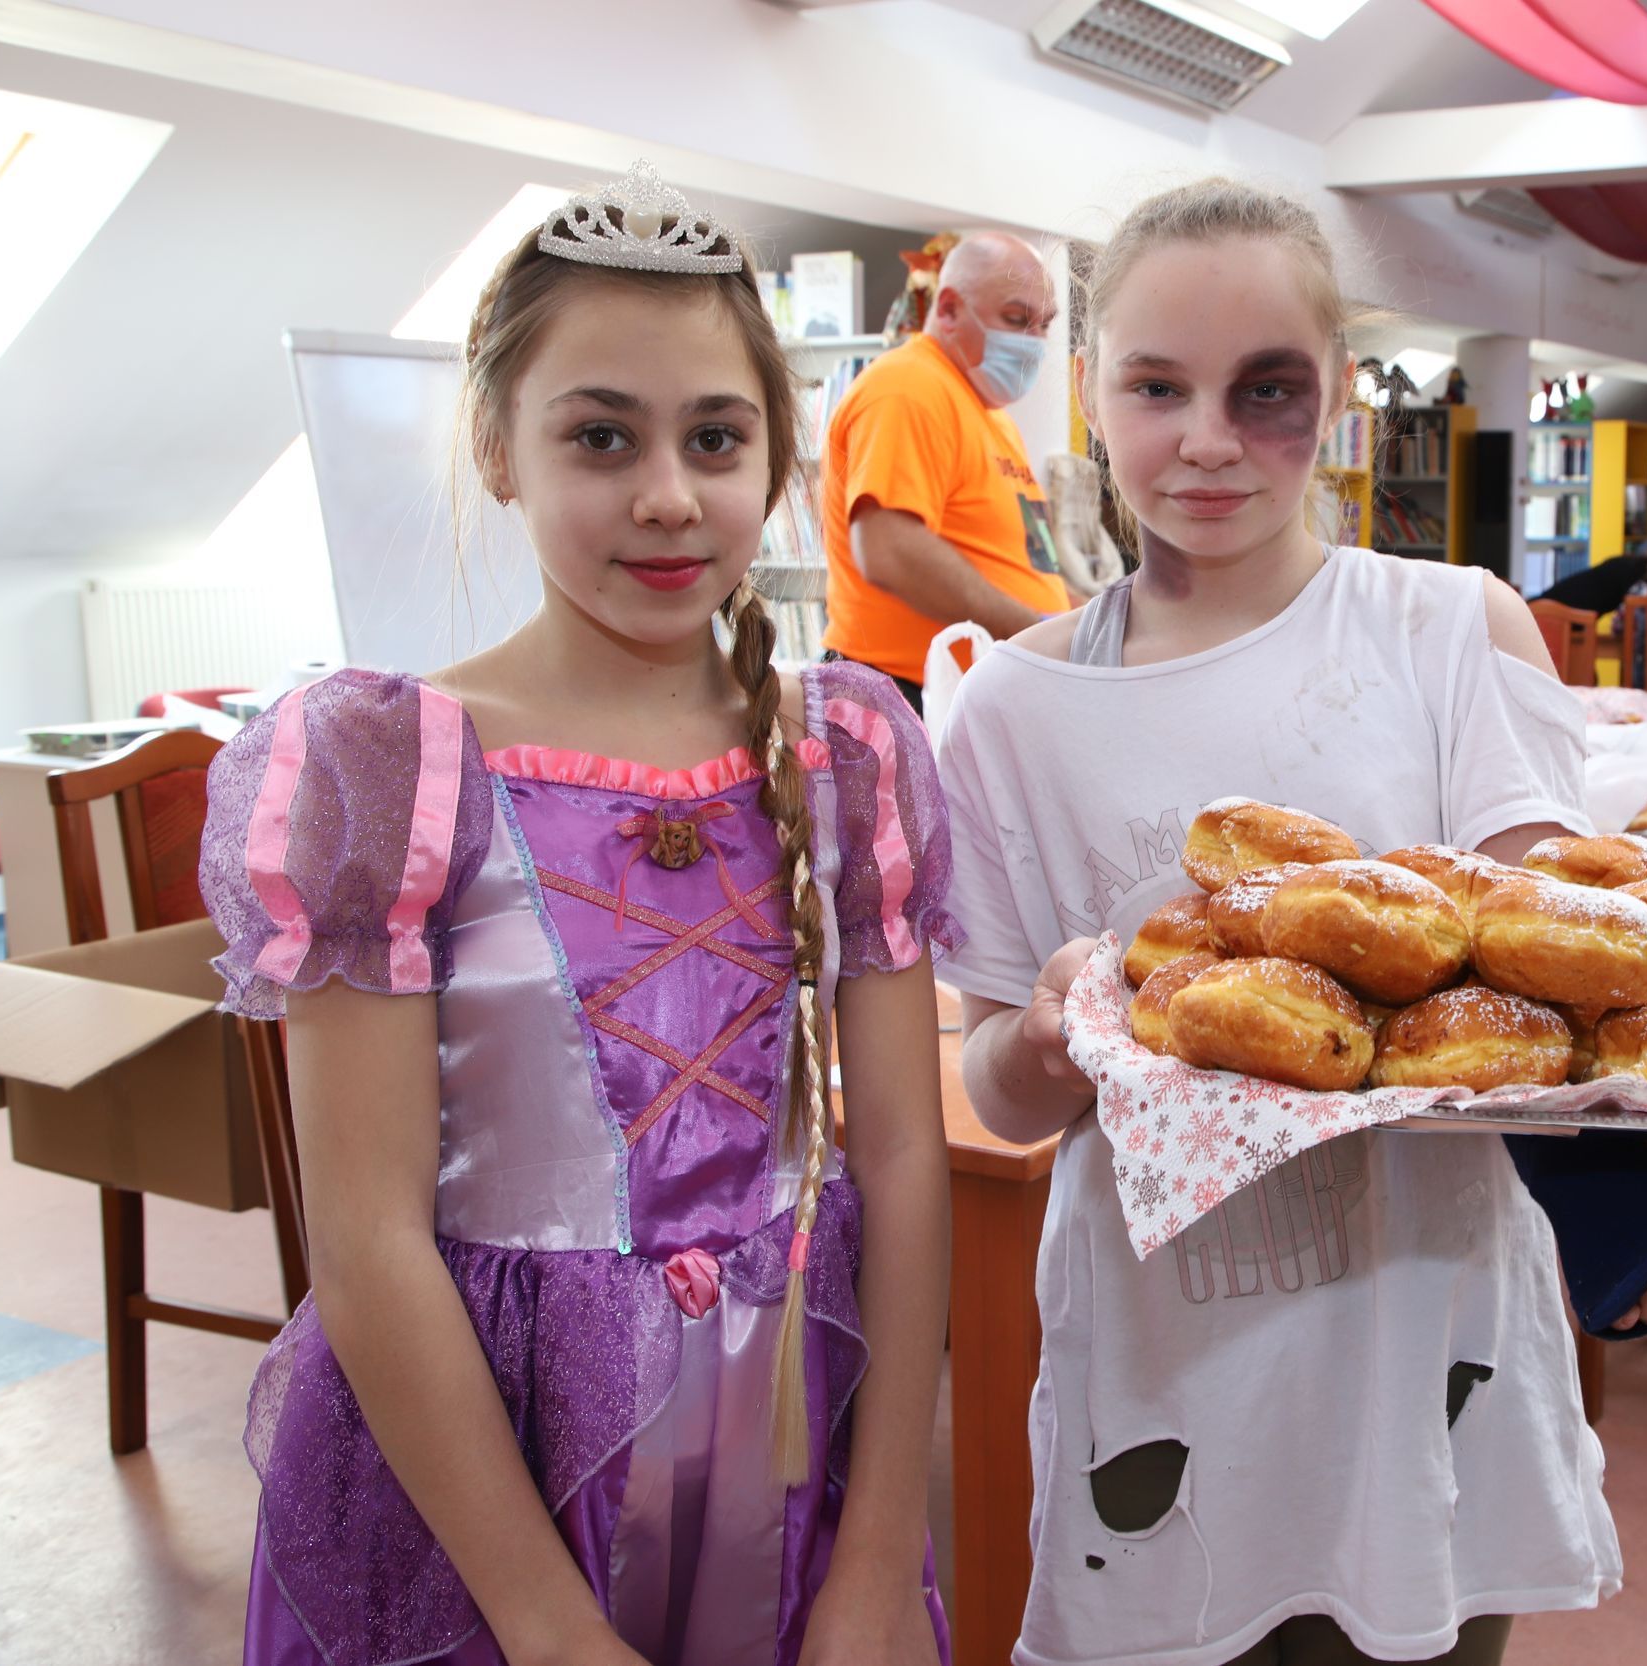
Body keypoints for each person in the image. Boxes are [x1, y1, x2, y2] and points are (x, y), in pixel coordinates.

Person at [934, 178, 1647, 1666]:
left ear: (1341, 390)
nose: (1206, 440)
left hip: (1424, 1338)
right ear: (1091, 390)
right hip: (1170, 1354)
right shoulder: (1013, 709)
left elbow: (1561, 994)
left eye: (1267, 390)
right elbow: (995, 1081)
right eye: (1157, 388)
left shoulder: (1451, 634)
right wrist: (1047, 1040)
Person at [201, 168, 957, 1666]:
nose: (668, 494)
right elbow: (365, 1235)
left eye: (715, 438)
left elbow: (902, 1158)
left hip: (786, 1456)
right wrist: (547, 1627)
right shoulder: (389, 768)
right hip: (483, 1482)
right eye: (602, 436)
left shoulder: (848, 752)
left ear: (775, 454)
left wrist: (878, 1557)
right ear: (499, 446)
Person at [821, 230, 1071, 710]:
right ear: (951, 308)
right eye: (1017, 319)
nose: (1035, 341)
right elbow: (890, 551)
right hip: (901, 697)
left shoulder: (991, 413)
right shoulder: (906, 387)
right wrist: (1037, 635)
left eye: (1044, 324)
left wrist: (1086, 619)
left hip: (971, 692)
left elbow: (1023, 560)